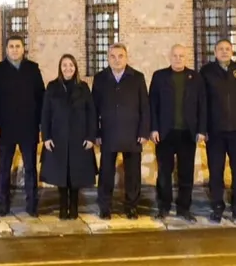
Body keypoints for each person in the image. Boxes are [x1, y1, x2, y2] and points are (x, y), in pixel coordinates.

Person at [0, 35, 45, 217]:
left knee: (30, 168)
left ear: (23, 49)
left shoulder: (32, 69)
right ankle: (3, 205)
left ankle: (32, 205)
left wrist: (41, 124)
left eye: (17, 46)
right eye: (11, 46)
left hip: (28, 126)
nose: (14, 49)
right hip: (5, 127)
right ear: (6, 49)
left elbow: (41, 96)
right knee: (4, 168)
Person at [148, 44, 206, 222]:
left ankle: (183, 209)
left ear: (186, 57)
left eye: (181, 55)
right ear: (170, 57)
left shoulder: (195, 77)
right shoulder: (159, 76)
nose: (178, 58)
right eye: (175, 55)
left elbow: (202, 105)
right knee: (164, 173)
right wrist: (153, 128)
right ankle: (163, 207)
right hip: (165, 134)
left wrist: (201, 130)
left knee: (186, 173)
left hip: (187, 133)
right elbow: (152, 105)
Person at [92, 43, 150, 220]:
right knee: (106, 173)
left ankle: (131, 206)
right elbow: (94, 108)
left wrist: (143, 131)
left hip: (132, 133)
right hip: (108, 133)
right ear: (108, 58)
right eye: (113, 56)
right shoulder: (100, 78)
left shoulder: (137, 77)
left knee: (133, 174)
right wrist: (96, 133)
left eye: (120, 56)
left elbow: (145, 107)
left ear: (126, 57)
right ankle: (105, 207)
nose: (117, 60)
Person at [200, 39, 236, 224]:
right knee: (216, 171)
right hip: (215, 131)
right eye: (221, 49)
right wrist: (203, 128)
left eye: (227, 49)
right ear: (214, 52)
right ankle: (217, 207)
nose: (224, 52)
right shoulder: (206, 72)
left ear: (232, 51)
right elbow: (203, 103)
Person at [40, 54, 99, 220]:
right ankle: (62, 207)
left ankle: (74, 208)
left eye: (71, 65)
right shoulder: (52, 87)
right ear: (60, 68)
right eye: (65, 65)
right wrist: (46, 137)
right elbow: (45, 113)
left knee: (75, 175)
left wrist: (90, 137)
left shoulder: (83, 88)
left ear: (75, 68)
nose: (68, 68)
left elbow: (91, 114)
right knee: (61, 175)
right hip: (58, 138)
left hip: (79, 138)